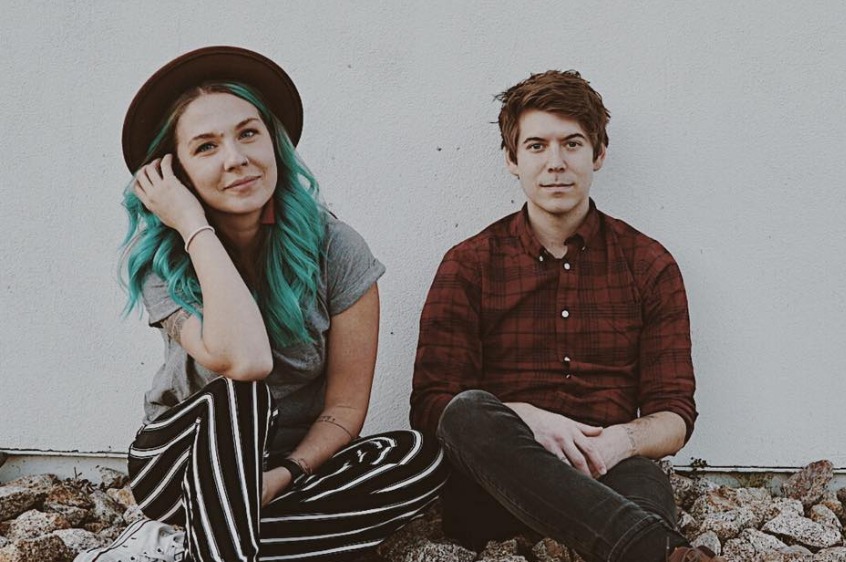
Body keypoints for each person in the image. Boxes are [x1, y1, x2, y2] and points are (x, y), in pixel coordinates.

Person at [91, 46, 446, 562]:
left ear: (274, 142)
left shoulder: (336, 248)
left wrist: (283, 475)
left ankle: (188, 543)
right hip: (181, 462)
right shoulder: (162, 261)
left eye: (248, 133)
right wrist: (192, 225)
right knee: (243, 395)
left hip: (289, 469)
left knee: (416, 456)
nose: (236, 158)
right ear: (176, 172)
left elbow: (345, 408)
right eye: (206, 147)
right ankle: (222, 531)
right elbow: (246, 361)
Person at [410, 70, 724, 562]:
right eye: (536, 146)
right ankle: (654, 551)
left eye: (572, 144)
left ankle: (639, 546)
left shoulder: (648, 264)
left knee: (643, 478)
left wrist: (620, 441)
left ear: (598, 154)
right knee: (467, 411)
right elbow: (433, 407)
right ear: (512, 159)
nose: (555, 162)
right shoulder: (470, 264)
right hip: (499, 482)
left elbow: (674, 415)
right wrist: (528, 420)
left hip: (609, 471)